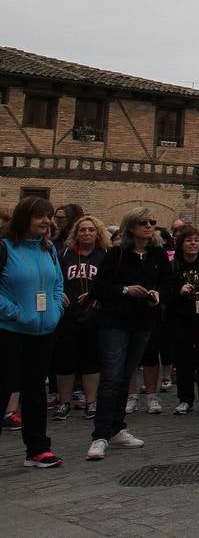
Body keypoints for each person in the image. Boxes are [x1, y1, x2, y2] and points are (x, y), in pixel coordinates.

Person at [88, 207, 173, 461]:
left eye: (152, 222)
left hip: (143, 322)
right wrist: (126, 290)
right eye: (143, 222)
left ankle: (117, 428)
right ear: (131, 227)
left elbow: (167, 284)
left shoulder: (157, 254)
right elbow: (100, 287)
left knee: (126, 375)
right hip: (115, 321)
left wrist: (158, 294)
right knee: (112, 376)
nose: (149, 226)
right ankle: (100, 435)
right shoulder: (118, 254)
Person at [0, 196, 65, 468]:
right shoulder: (4, 248)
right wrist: (13, 312)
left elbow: (57, 285)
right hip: (10, 330)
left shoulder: (48, 250)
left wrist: (55, 311)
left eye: (48, 216)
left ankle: (37, 449)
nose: (46, 221)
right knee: (3, 388)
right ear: (24, 218)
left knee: (35, 391)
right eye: (40, 216)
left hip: (43, 331)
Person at [54, 214, 109, 421]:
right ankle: (64, 402)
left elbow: (110, 282)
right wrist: (58, 292)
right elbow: (55, 278)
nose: (87, 233)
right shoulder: (65, 254)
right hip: (69, 314)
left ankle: (90, 401)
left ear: (98, 233)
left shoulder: (104, 254)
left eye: (91, 230)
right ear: (76, 233)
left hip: (94, 315)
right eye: (83, 229)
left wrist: (96, 295)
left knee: (91, 360)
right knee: (65, 360)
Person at [169, 226, 199, 414]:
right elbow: (167, 289)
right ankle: (185, 398)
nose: (193, 244)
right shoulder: (174, 265)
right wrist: (179, 291)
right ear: (181, 244)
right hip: (181, 316)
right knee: (183, 359)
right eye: (189, 241)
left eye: (196, 240)